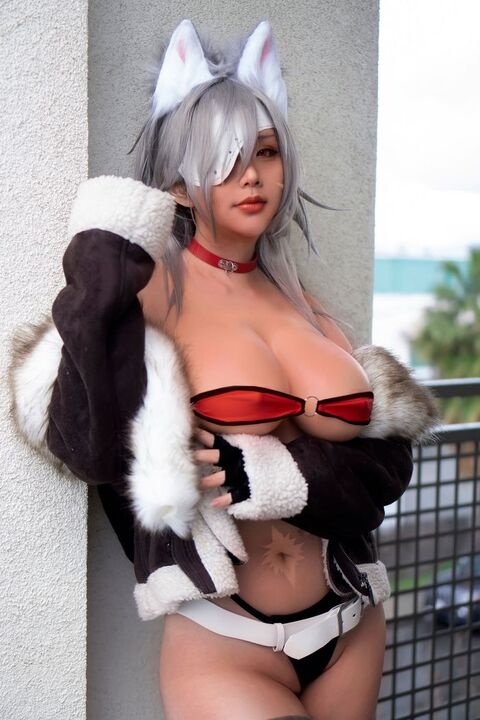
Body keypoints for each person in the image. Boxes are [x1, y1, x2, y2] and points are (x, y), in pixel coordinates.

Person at [8, 19, 438, 720]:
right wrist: (104, 252)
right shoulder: (152, 295)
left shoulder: (303, 303)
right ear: (179, 182)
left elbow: (384, 468)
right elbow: (86, 445)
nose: (252, 176)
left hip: (352, 616)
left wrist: (267, 474)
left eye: (265, 152)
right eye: (224, 157)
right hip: (227, 638)